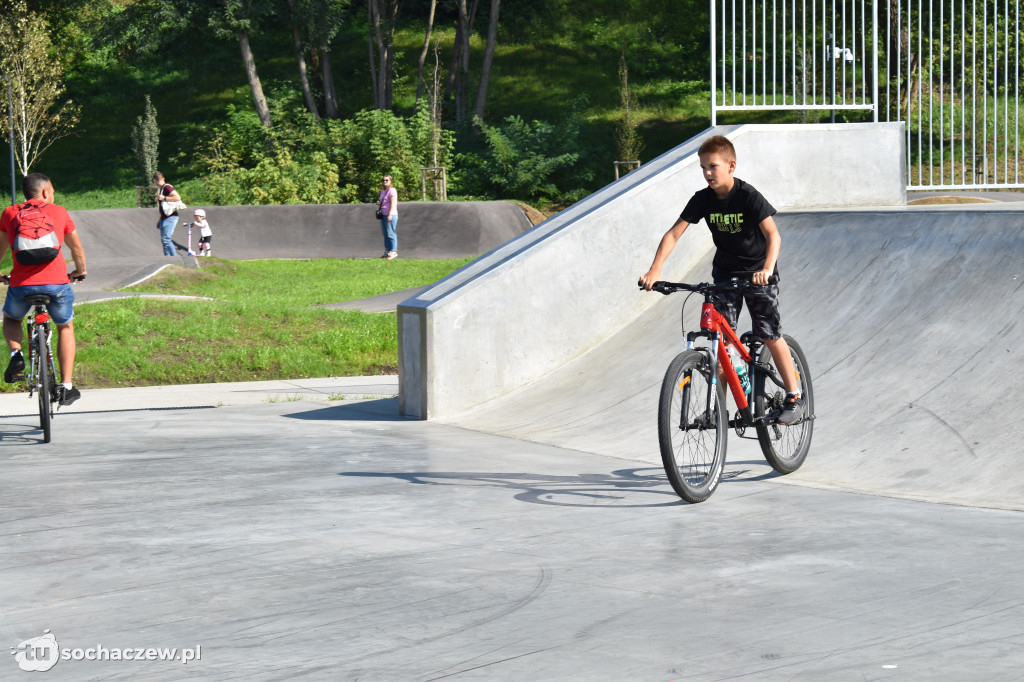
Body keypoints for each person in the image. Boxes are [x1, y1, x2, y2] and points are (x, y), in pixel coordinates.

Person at [638, 135, 804, 425]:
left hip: (757, 274)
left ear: (731, 166)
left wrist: (766, 268)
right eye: (703, 168)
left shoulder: (748, 195)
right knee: (722, 343)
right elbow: (674, 233)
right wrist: (655, 270)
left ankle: (794, 396)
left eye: (713, 166)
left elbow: (773, 234)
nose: (707, 173)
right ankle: (717, 410)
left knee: (768, 333)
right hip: (725, 276)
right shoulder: (703, 199)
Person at [0, 173, 87, 406]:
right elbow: (76, 248)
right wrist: (80, 271)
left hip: (21, 286)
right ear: (46, 192)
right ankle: (67, 387)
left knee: (11, 319)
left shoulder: (9, 213)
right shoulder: (59, 212)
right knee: (65, 326)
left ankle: (16, 355)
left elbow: (0, 250)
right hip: (56, 285)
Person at [154, 171, 181, 256]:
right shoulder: (162, 189)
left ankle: (175, 259)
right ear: (163, 178)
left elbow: (177, 197)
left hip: (171, 217)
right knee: (164, 240)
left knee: (166, 239)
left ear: (154, 180)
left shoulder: (167, 187)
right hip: (164, 218)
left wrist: (164, 198)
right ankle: (168, 260)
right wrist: (160, 219)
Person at [377, 174, 398, 260]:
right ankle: (387, 251)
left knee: (391, 233)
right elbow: (384, 202)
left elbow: (393, 203)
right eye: (383, 180)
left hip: (391, 214)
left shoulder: (392, 190)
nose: (385, 182)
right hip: (383, 214)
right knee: (385, 234)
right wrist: (379, 203)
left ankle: (393, 251)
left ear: (390, 181)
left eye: (387, 180)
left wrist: (390, 214)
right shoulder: (383, 191)